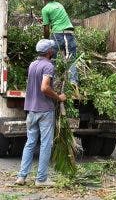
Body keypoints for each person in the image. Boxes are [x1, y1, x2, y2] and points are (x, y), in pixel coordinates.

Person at [15, 39, 67, 186]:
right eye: (52, 49)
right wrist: (58, 97)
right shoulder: (48, 66)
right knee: (45, 144)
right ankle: (41, 179)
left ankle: (21, 177)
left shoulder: (32, 65)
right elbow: (44, 87)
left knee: (30, 143)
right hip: (44, 110)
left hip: (31, 109)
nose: (54, 51)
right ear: (49, 52)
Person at [41, 0, 78, 85]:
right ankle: (73, 83)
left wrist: (46, 40)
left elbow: (46, 28)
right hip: (69, 33)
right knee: (71, 59)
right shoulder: (59, 5)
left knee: (52, 58)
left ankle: (52, 82)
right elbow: (58, 17)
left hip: (57, 34)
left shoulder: (45, 9)